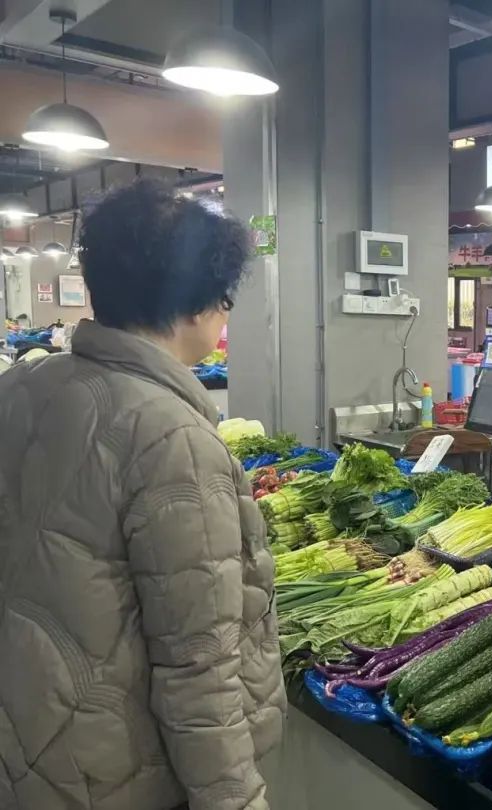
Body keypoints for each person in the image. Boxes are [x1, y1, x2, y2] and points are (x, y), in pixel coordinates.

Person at [0, 181, 285, 810]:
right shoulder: (172, 437)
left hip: (32, 745)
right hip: (119, 775)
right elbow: (200, 669)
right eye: (225, 299)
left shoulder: (20, 389)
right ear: (195, 305)